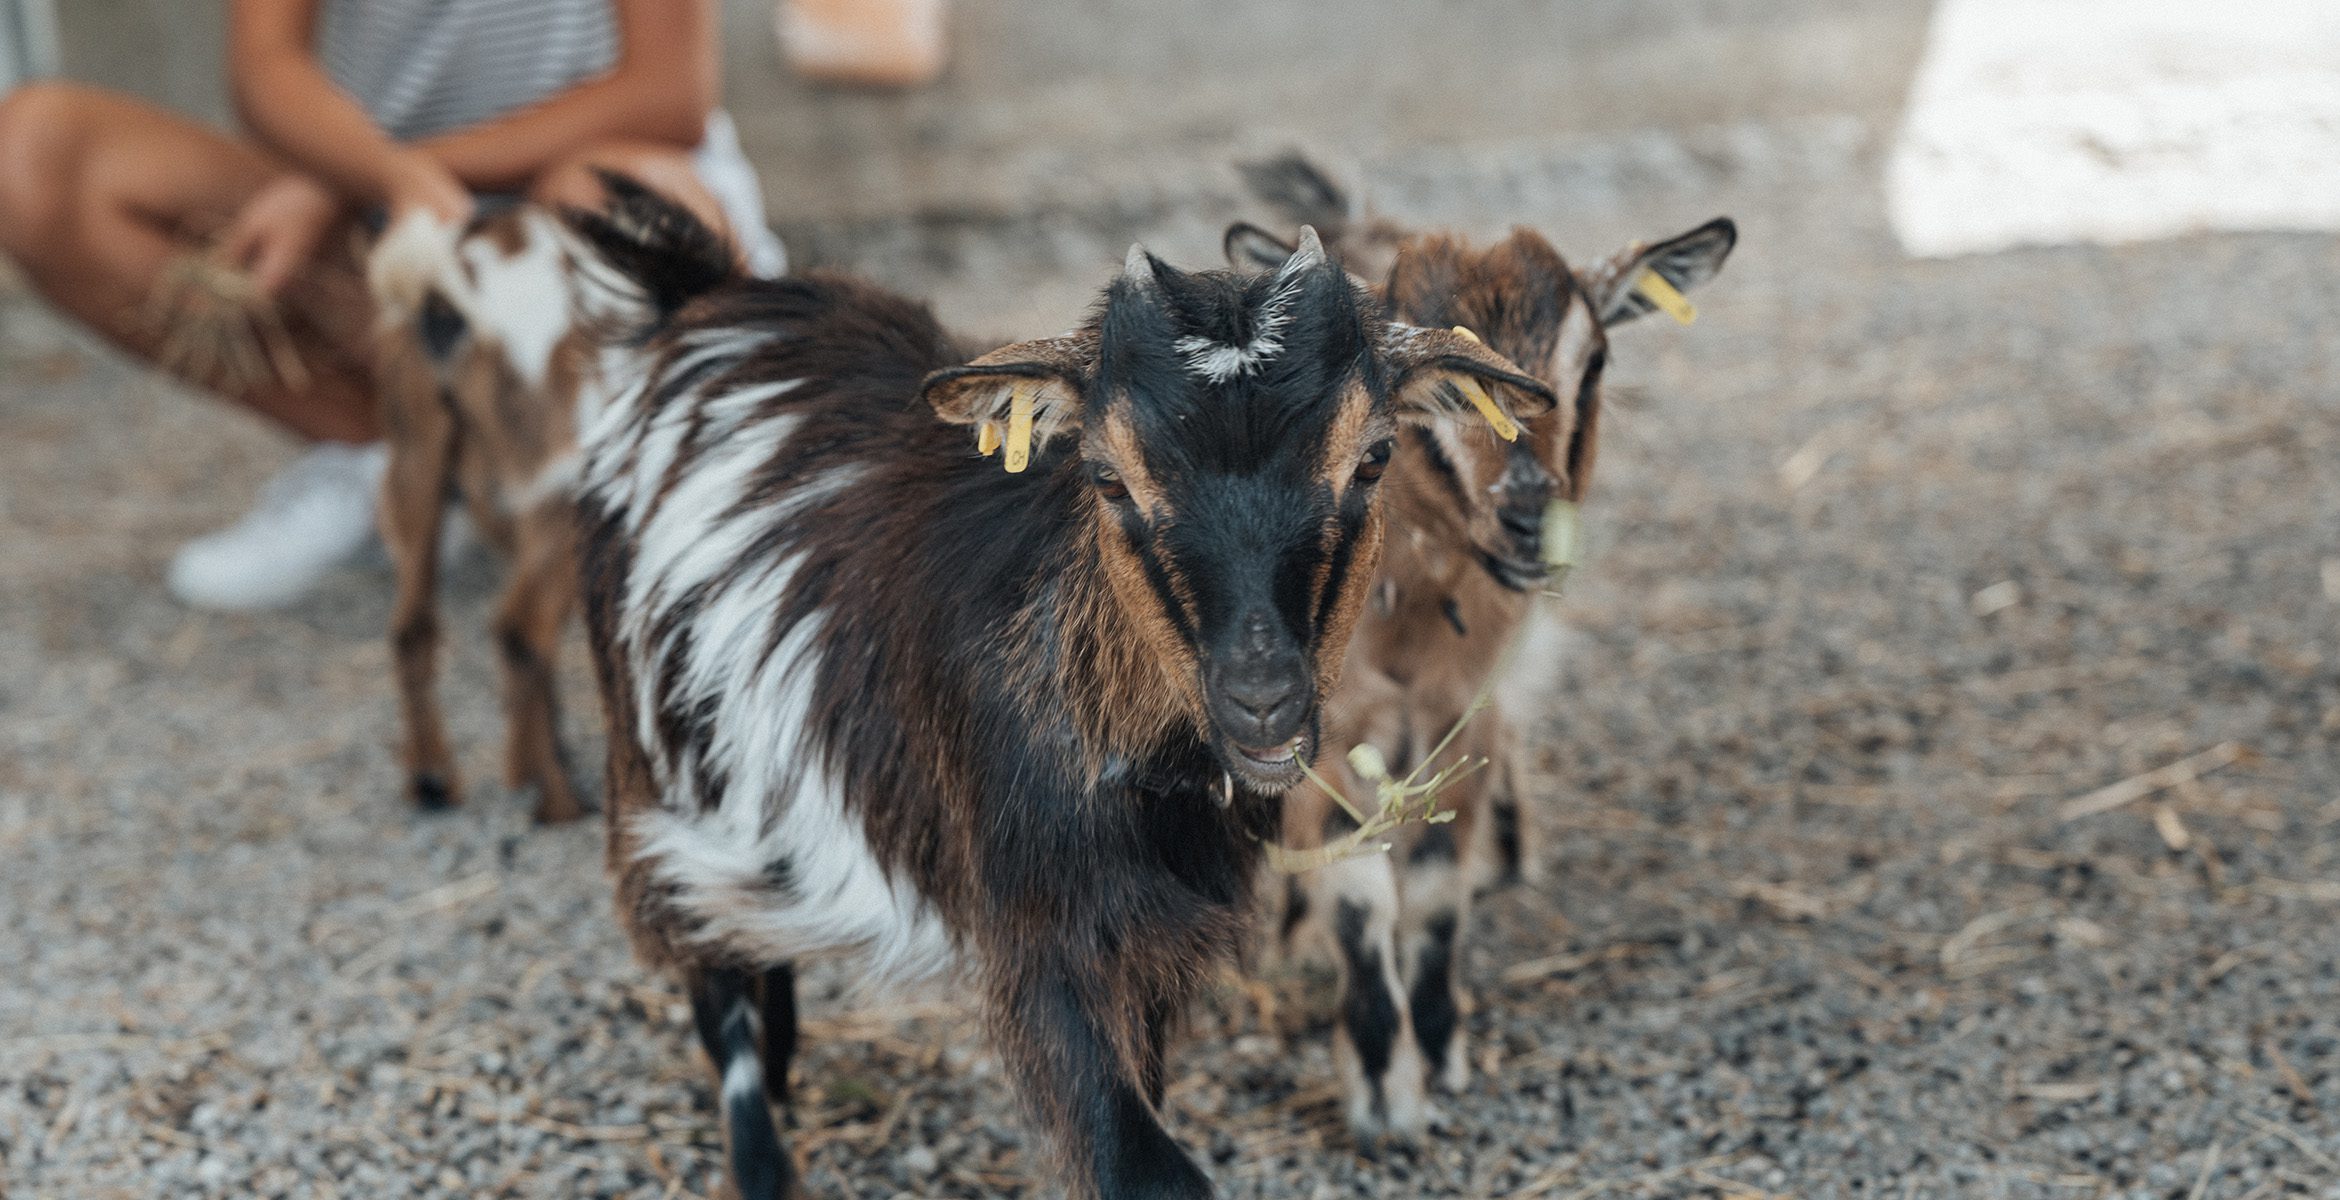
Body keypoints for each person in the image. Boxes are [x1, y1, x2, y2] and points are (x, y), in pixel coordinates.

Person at [0, 0, 787, 611]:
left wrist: (385, 175)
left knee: (609, 198)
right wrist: (383, 180)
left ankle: (665, 480)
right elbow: (266, 69)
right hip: (389, 224)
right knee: (33, 153)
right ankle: (402, 461)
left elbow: (667, 95)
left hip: (582, 191)